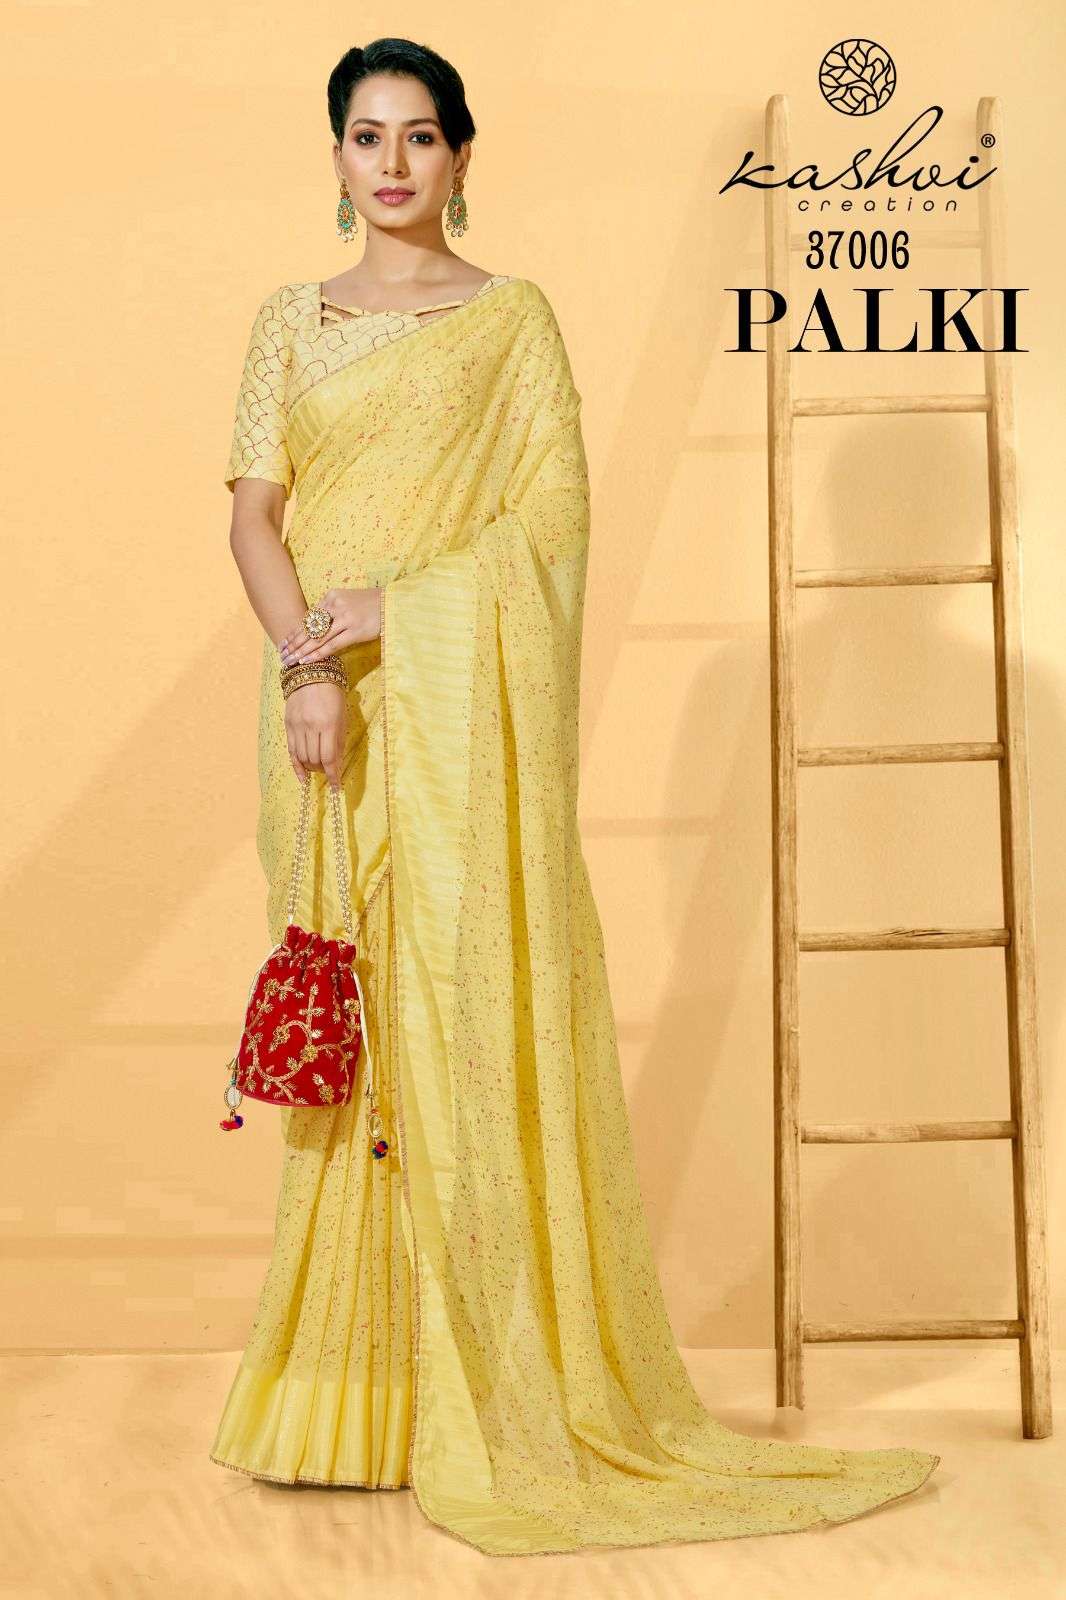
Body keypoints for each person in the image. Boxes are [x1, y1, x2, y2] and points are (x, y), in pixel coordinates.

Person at [209, 36, 941, 1556]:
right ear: (335, 158)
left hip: (455, 712)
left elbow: (551, 519)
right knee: (351, 1028)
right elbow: (255, 518)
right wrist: (308, 669)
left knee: (462, 1020)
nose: (393, 162)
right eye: (366, 136)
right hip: (328, 721)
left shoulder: (512, 321)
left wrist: (401, 608)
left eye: (420, 136)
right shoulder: (289, 321)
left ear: (463, 156)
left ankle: (493, 1396)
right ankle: (345, 1401)